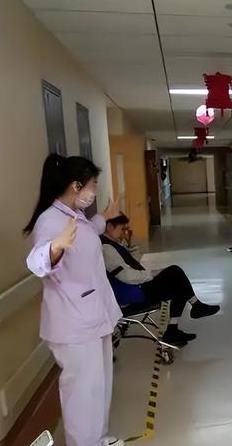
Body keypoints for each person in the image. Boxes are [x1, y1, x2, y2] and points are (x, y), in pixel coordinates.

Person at [24, 154, 124, 446]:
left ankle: (98, 438)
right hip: (74, 323)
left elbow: (90, 231)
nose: (94, 190)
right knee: (82, 393)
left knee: (99, 385)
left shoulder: (73, 215)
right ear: (76, 185)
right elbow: (37, 260)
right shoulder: (50, 220)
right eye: (92, 184)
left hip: (92, 316)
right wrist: (54, 249)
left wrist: (105, 216)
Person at [101, 214, 221, 346]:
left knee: (176, 280)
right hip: (130, 297)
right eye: (122, 229)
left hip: (134, 289)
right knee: (175, 274)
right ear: (109, 226)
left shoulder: (113, 244)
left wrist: (131, 247)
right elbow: (126, 276)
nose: (124, 232)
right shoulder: (107, 249)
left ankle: (183, 319)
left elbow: (131, 267)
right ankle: (189, 312)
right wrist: (151, 275)